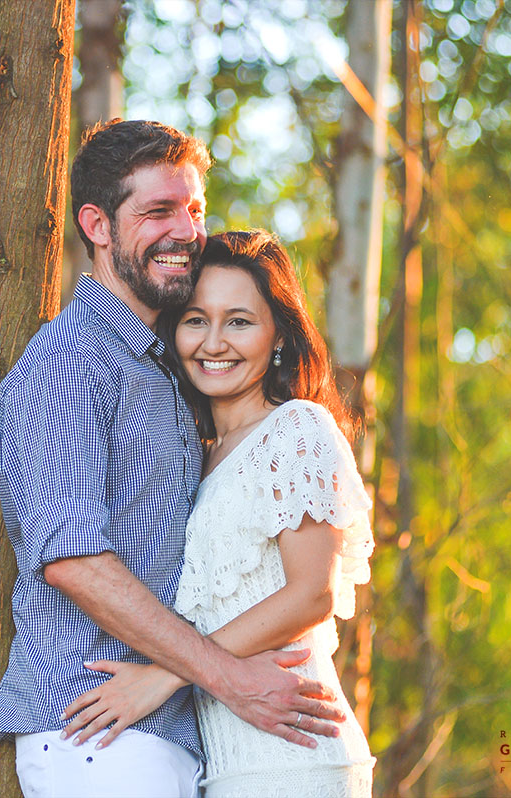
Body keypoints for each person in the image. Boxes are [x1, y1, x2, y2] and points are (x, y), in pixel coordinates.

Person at [0, 123, 345, 798]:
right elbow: (73, 558)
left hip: (167, 734)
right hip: (94, 729)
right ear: (97, 224)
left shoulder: (161, 370)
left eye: (195, 209)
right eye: (158, 212)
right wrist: (227, 676)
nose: (186, 231)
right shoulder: (72, 362)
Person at [59, 230, 376, 796]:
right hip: (226, 767)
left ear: (278, 333)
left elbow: (312, 594)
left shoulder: (297, 429)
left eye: (239, 321)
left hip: (297, 758)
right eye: (196, 319)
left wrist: (163, 677)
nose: (214, 342)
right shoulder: (195, 456)